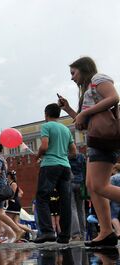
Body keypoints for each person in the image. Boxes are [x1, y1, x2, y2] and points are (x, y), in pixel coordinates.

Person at [58, 56, 120, 248]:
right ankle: (106, 231)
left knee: (99, 186)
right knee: (92, 186)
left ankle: (107, 231)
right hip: (95, 140)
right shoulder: (87, 92)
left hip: (103, 140)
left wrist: (85, 112)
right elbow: (83, 122)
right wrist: (69, 108)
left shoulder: (98, 79)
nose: (71, 78)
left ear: (84, 69)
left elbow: (114, 98)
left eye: (73, 73)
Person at [34, 103, 76, 244]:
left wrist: (38, 155)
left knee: (42, 198)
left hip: (50, 165)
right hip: (65, 167)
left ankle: (47, 232)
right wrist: (62, 157)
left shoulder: (46, 126)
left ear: (46, 114)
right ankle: (64, 236)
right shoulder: (65, 129)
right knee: (65, 201)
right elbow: (74, 151)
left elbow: (44, 146)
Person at [68, 151, 87, 240]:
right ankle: (83, 233)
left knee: (72, 208)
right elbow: (85, 170)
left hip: (70, 183)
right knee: (81, 210)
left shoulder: (66, 157)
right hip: (81, 184)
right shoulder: (81, 156)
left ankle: (75, 234)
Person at [109, 164, 120, 237]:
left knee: (113, 216)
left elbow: (109, 191)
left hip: (115, 200)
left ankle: (119, 232)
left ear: (114, 169)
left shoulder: (113, 178)